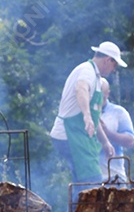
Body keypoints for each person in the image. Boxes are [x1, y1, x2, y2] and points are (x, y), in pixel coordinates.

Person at [50, 40, 128, 185]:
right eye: (114, 64)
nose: (113, 69)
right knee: (91, 180)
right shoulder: (86, 71)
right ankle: (82, 207)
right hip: (69, 135)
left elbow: (95, 117)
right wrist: (86, 115)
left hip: (78, 136)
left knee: (85, 182)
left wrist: (105, 142)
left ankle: (75, 207)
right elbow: (81, 88)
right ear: (107, 60)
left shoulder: (98, 79)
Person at [99, 77, 134, 181]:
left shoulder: (118, 112)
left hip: (115, 176)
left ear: (108, 94)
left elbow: (130, 141)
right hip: (89, 178)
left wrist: (107, 133)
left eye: (103, 97)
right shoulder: (83, 113)